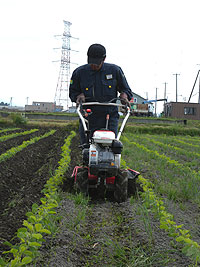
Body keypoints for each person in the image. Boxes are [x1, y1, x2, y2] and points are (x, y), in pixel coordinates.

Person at [69, 43, 133, 144]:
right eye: (91, 63)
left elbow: (126, 90)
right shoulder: (79, 73)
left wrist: (124, 96)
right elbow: (72, 92)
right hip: (88, 117)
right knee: (87, 147)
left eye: (97, 63)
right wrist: (78, 96)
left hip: (109, 116)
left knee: (112, 146)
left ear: (104, 59)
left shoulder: (115, 71)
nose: (94, 66)